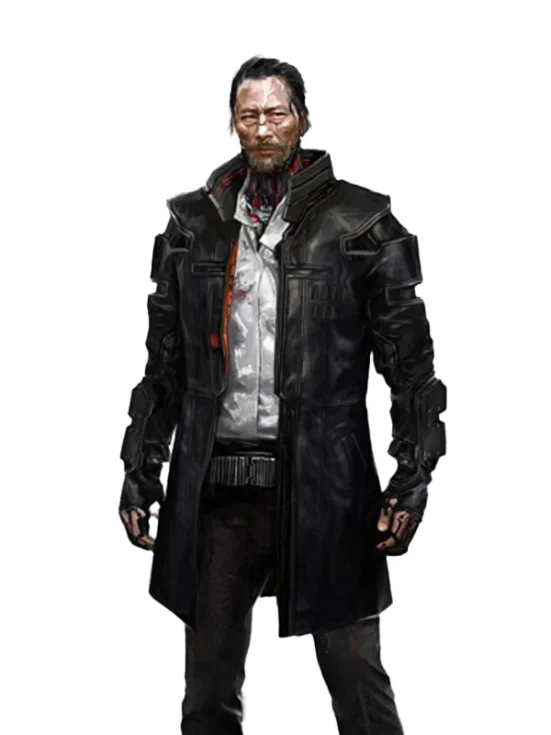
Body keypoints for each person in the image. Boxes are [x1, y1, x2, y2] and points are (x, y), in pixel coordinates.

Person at [118, 55, 447, 735]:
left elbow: (411, 369)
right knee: (207, 690)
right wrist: (140, 467)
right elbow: (163, 364)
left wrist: (412, 477)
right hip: (218, 486)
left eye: (276, 113)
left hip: (328, 486)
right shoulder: (193, 225)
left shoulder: (361, 223)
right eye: (249, 115)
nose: (263, 128)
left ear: (302, 118)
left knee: (356, 677)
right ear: (233, 122)